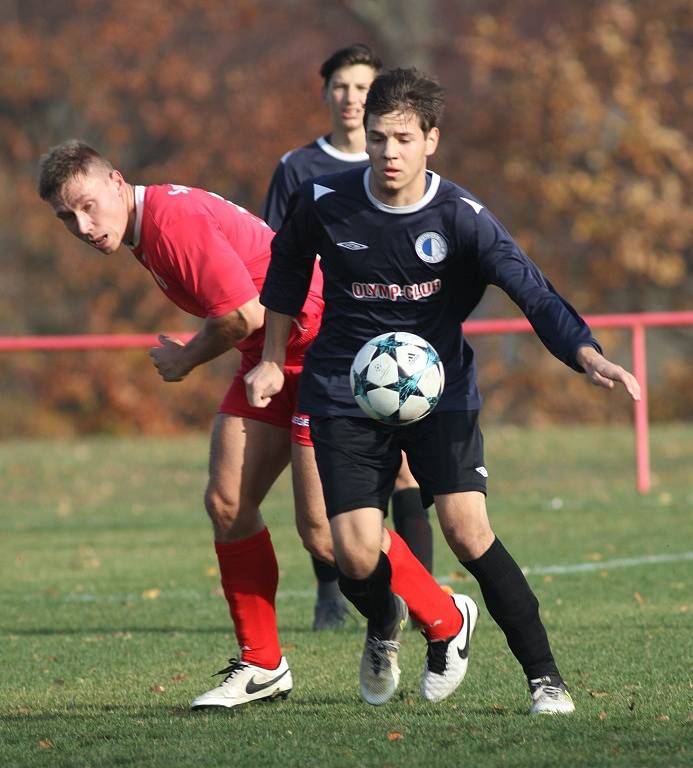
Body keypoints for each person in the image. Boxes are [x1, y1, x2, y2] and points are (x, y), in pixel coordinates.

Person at [246, 68, 641, 714]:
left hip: (441, 393)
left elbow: (530, 291)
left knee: (466, 530)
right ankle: (383, 624)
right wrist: (268, 360)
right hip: (344, 391)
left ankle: (544, 678)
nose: (388, 153)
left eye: (402, 138)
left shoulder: (461, 216)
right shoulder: (323, 201)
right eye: (377, 139)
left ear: (431, 138)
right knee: (347, 550)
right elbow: (285, 273)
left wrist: (583, 353)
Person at [38, 139, 475, 711]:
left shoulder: (170, 223)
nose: (84, 224)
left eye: (89, 205)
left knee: (323, 533)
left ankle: (446, 618)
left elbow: (239, 314)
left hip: (322, 353)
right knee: (227, 502)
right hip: (269, 356)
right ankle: (262, 663)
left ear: (117, 181)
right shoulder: (145, 229)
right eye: (67, 217)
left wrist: (186, 359)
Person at [265, 43, 436, 631]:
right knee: (327, 479)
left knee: (406, 471)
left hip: (396, 343)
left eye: (362, 87)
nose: (350, 96)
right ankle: (332, 593)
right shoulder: (299, 169)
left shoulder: (404, 169)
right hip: (323, 342)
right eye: (340, 86)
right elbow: (277, 254)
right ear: (327, 96)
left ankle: (423, 603)